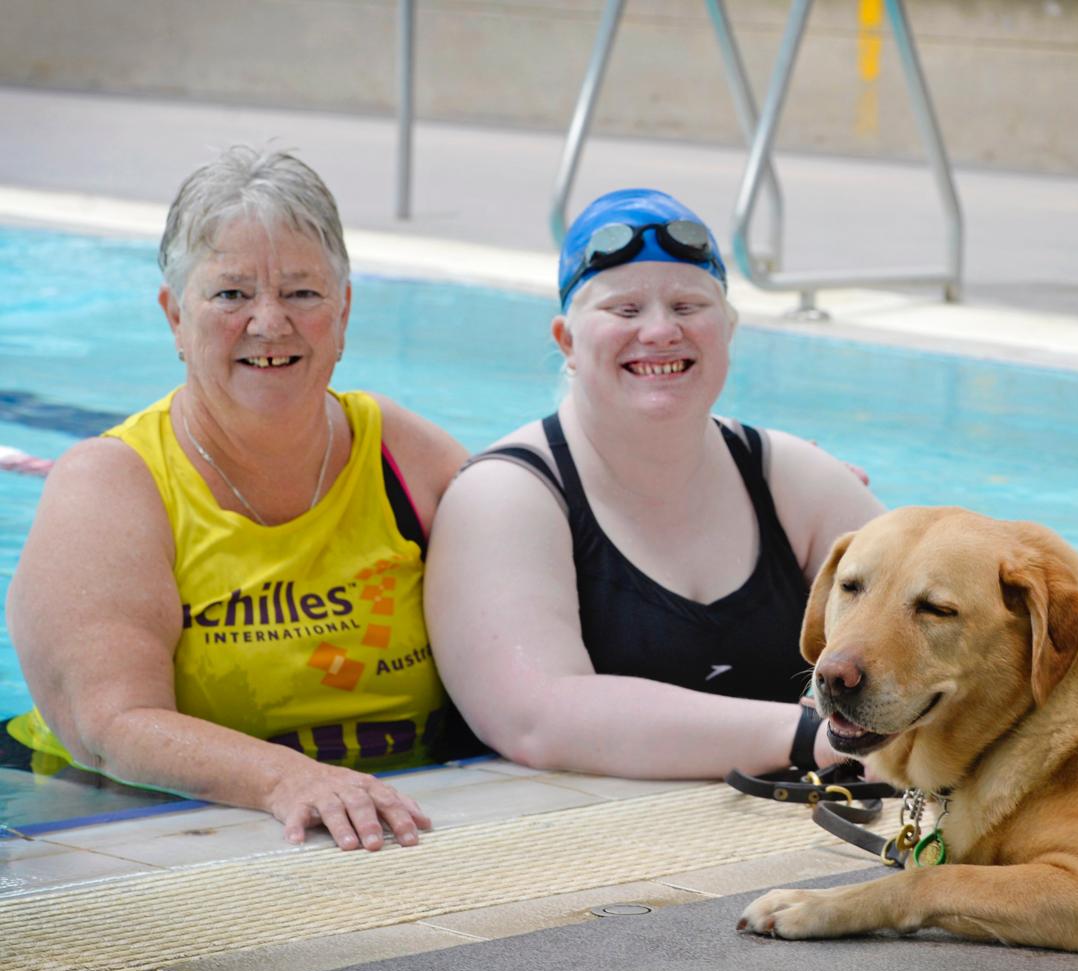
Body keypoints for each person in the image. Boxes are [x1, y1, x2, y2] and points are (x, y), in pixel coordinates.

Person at [5, 146, 467, 850]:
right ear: (174, 318)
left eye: (303, 293)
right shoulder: (113, 486)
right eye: (231, 293)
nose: (270, 321)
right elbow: (108, 724)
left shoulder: (406, 458)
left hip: (376, 823)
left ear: (343, 312)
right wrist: (286, 779)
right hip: (103, 820)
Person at [426, 189, 884, 778]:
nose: (661, 331)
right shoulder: (505, 496)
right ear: (566, 340)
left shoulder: (791, 476)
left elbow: (941, 618)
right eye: (625, 310)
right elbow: (536, 716)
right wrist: (814, 738)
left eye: (688, 306)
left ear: (729, 328)